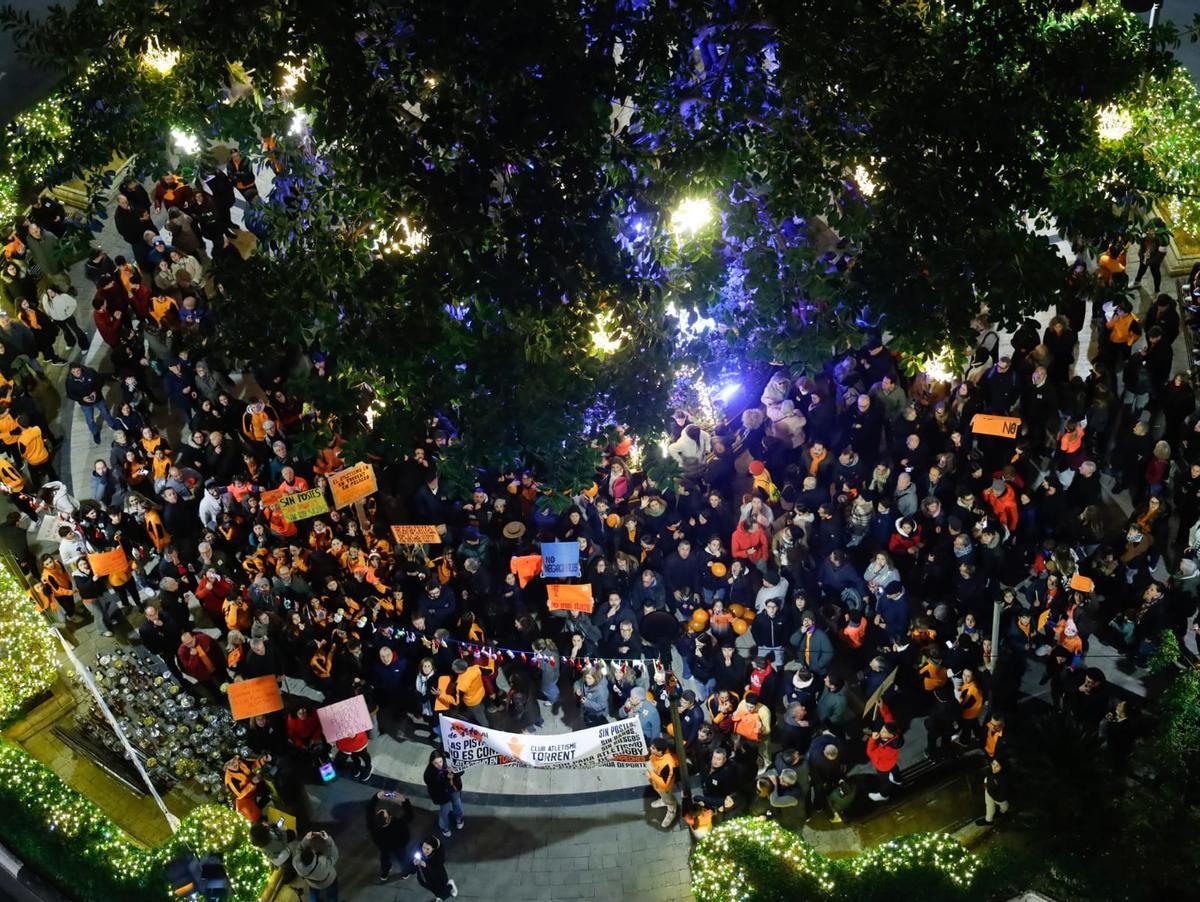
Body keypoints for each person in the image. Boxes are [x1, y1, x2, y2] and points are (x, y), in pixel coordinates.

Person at [368, 789, 414, 882]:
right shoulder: (398, 823)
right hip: (399, 844)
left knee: (384, 859)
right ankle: (405, 873)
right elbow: (409, 815)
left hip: (384, 846)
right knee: (402, 858)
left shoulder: (373, 825)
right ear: (388, 818)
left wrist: (376, 797)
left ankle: (385, 873)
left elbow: (369, 808)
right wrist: (404, 800)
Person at [424, 749, 465, 838]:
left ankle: (459, 818)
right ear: (431, 763)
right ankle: (445, 827)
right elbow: (434, 786)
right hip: (441, 795)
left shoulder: (449, 764)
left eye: (441, 761)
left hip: (453, 789)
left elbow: (462, 771)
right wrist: (446, 778)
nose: (439, 765)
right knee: (444, 811)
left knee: (457, 804)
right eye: (436, 763)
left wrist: (454, 771)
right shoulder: (429, 773)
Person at [293, 830, 339, 902]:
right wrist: (328, 839)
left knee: (313, 894)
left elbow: (299, 849)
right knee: (331, 895)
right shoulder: (322, 863)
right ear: (314, 857)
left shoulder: (296, 863)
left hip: (313, 883)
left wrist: (306, 839)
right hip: (327, 881)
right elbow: (334, 855)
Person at [407, 836, 458, 900]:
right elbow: (410, 865)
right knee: (433, 889)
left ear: (433, 849)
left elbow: (435, 872)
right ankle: (444, 893)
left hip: (438, 876)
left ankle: (450, 887)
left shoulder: (438, 857)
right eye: (423, 847)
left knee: (441, 891)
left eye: (427, 849)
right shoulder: (418, 850)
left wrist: (426, 866)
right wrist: (413, 863)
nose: (424, 851)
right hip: (425, 877)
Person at [646, 736, 679, 828]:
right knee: (662, 795)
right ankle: (664, 801)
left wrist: (651, 774)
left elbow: (664, 785)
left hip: (665, 788)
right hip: (656, 783)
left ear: (660, 751)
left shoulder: (668, 765)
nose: (650, 749)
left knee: (668, 799)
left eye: (653, 748)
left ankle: (672, 811)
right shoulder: (655, 755)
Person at [976, 757, 1011, 827]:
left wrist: (997, 799)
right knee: (989, 806)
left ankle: (1002, 812)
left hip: (998, 796)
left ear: (1002, 767)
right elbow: (987, 777)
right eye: (993, 764)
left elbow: (1003, 793)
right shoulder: (989, 769)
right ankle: (988, 820)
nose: (993, 768)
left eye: (997, 766)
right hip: (989, 791)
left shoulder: (1003, 778)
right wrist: (985, 784)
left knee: (1004, 806)